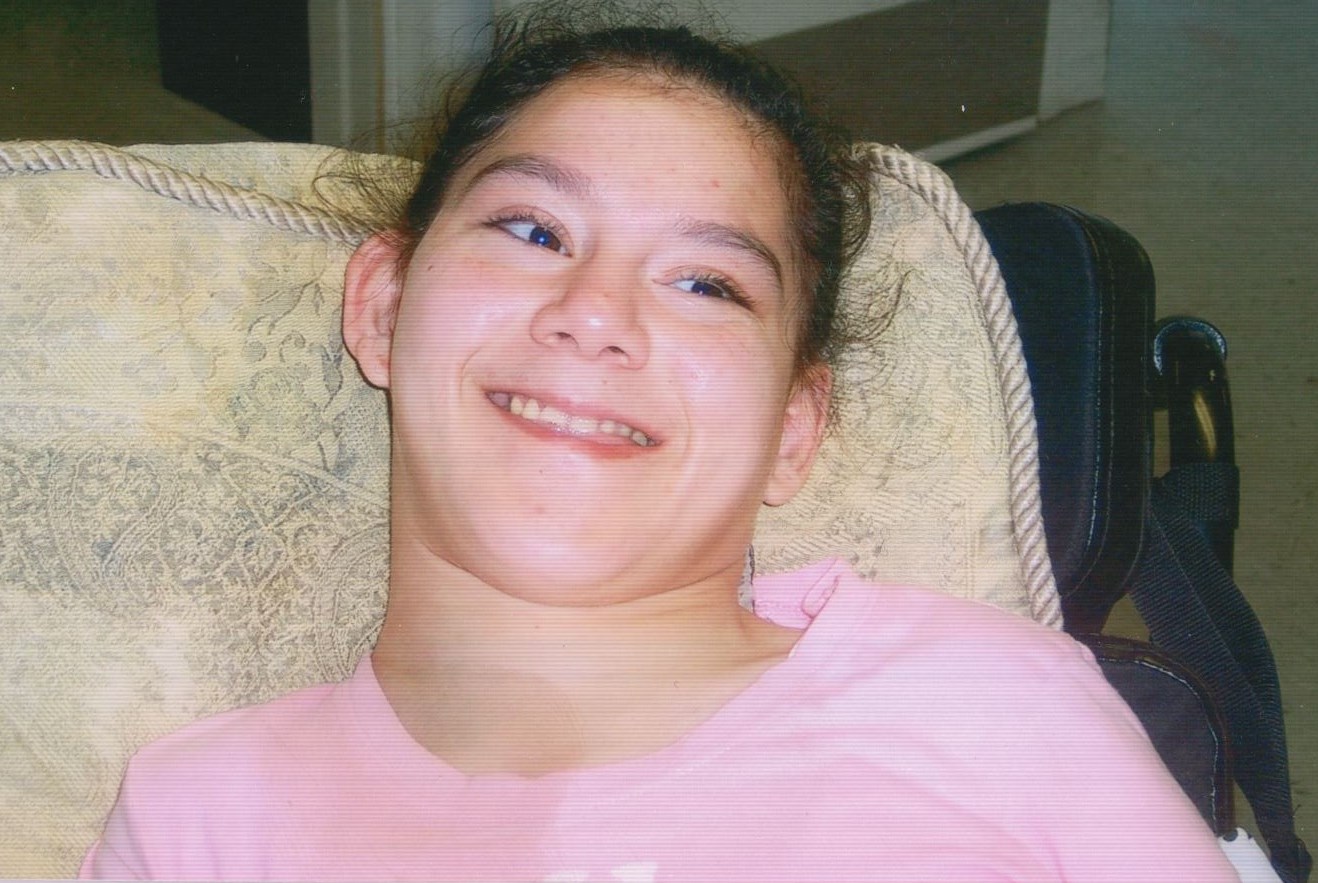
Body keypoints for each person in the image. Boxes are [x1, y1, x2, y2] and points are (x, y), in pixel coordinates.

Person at [81, 6, 1240, 881]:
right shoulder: (198, 819)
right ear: (383, 305)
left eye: (705, 283)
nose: (596, 313)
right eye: (533, 229)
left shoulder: (983, 696)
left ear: (793, 430)